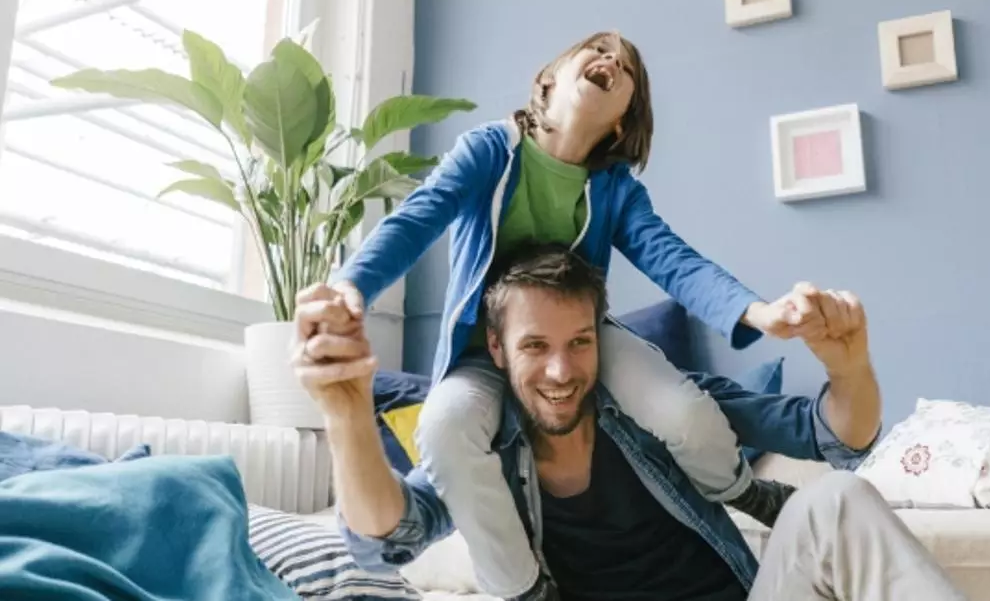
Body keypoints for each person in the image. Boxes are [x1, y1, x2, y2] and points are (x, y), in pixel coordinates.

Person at [301, 31, 851, 599]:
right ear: (548, 80)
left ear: (621, 120)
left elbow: (673, 260)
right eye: (598, 49)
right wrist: (351, 287)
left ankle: (747, 493)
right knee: (443, 426)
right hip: (484, 352)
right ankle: (525, 589)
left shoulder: (615, 190)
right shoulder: (488, 152)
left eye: (626, 66)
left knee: (684, 410)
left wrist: (758, 312)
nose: (611, 59)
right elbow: (419, 217)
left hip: (580, 337)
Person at [293, 243, 966, 601]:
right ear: (496, 349)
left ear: (602, 339)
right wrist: (347, 414)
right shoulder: (483, 449)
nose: (561, 370)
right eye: (535, 346)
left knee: (837, 498)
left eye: (579, 342)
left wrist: (849, 367)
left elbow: (835, 435)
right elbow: (388, 541)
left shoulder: (661, 412)